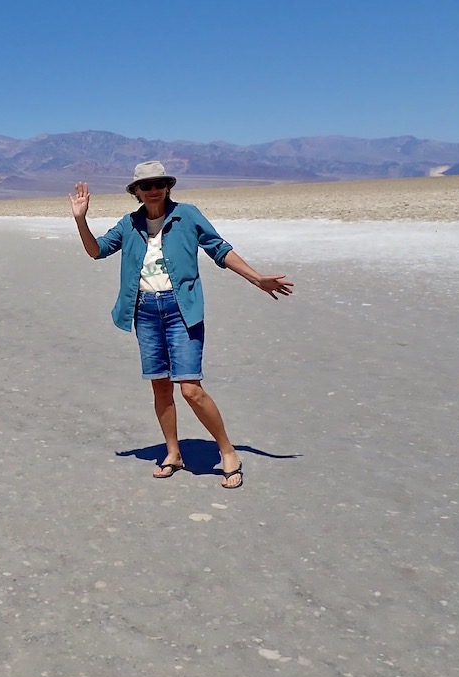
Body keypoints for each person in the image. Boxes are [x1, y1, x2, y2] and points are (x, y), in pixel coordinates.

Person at [70, 161, 293, 488]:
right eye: (145, 186)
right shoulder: (130, 223)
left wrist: (256, 278)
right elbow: (97, 250)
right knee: (160, 386)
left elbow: (220, 249)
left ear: (167, 186)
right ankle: (173, 453)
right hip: (144, 311)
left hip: (180, 310)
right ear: (136, 192)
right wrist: (80, 219)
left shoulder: (186, 215)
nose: (153, 189)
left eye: (159, 183)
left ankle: (228, 451)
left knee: (190, 388)